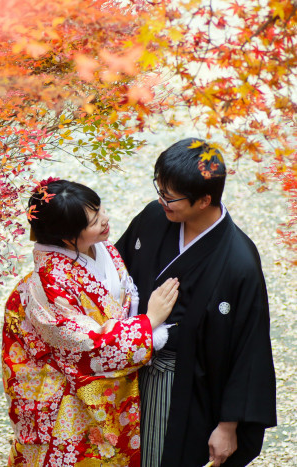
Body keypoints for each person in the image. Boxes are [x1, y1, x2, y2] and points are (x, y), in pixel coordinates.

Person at [115, 139, 277, 467]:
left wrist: (228, 426)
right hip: (125, 367)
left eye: (170, 196)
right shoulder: (153, 217)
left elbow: (250, 348)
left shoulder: (239, 261)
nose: (161, 200)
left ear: (204, 200)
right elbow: (114, 273)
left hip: (182, 385)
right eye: (159, 188)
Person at [2, 178, 179, 466]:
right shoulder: (50, 285)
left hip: (106, 385)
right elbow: (89, 349)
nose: (106, 220)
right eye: (95, 220)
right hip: (70, 394)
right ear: (67, 236)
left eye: (99, 210)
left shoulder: (99, 247)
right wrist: (150, 322)